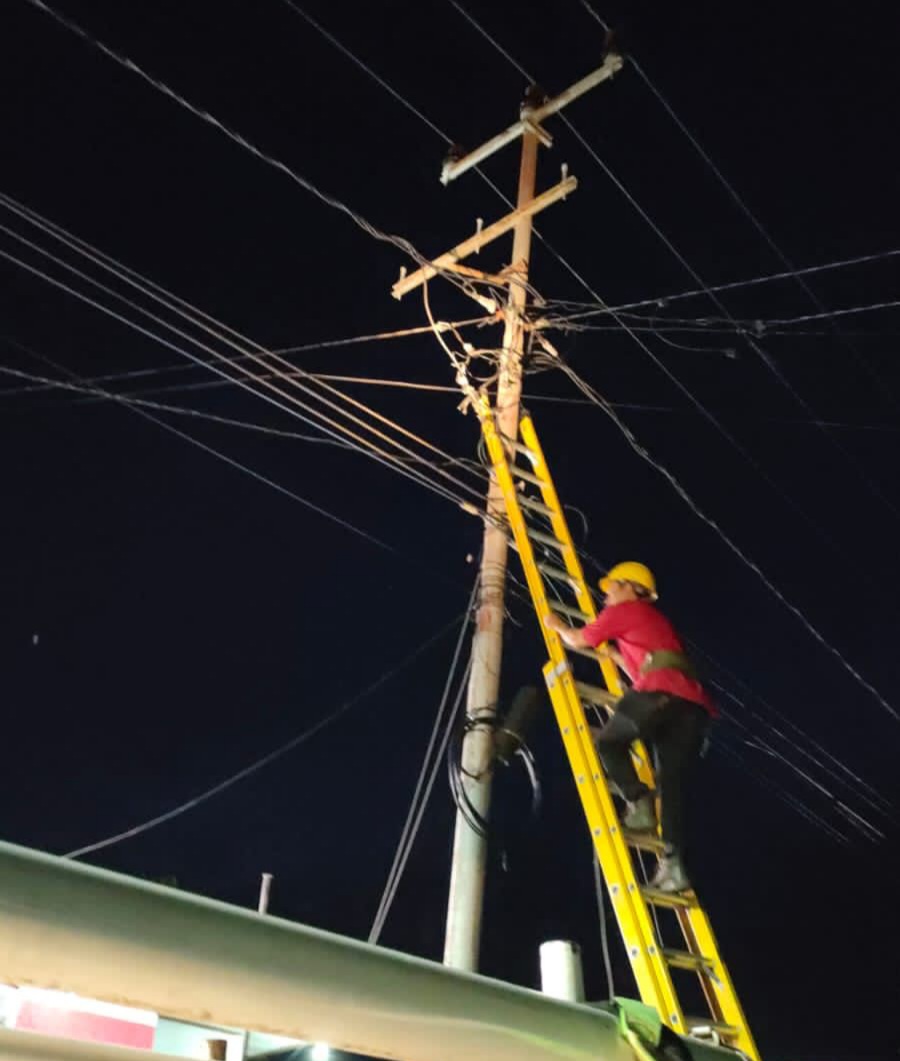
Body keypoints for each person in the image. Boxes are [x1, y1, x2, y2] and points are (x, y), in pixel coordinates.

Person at [544, 561, 715, 893]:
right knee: (672, 788)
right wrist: (615, 656)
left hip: (659, 694)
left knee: (608, 743)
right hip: (693, 708)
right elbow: (651, 660)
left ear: (629, 588)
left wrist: (556, 624)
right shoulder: (653, 621)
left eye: (611, 589)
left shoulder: (627, 609)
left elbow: (580, 640)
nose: (606, 596)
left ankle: (639, 804)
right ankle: (674, 866)